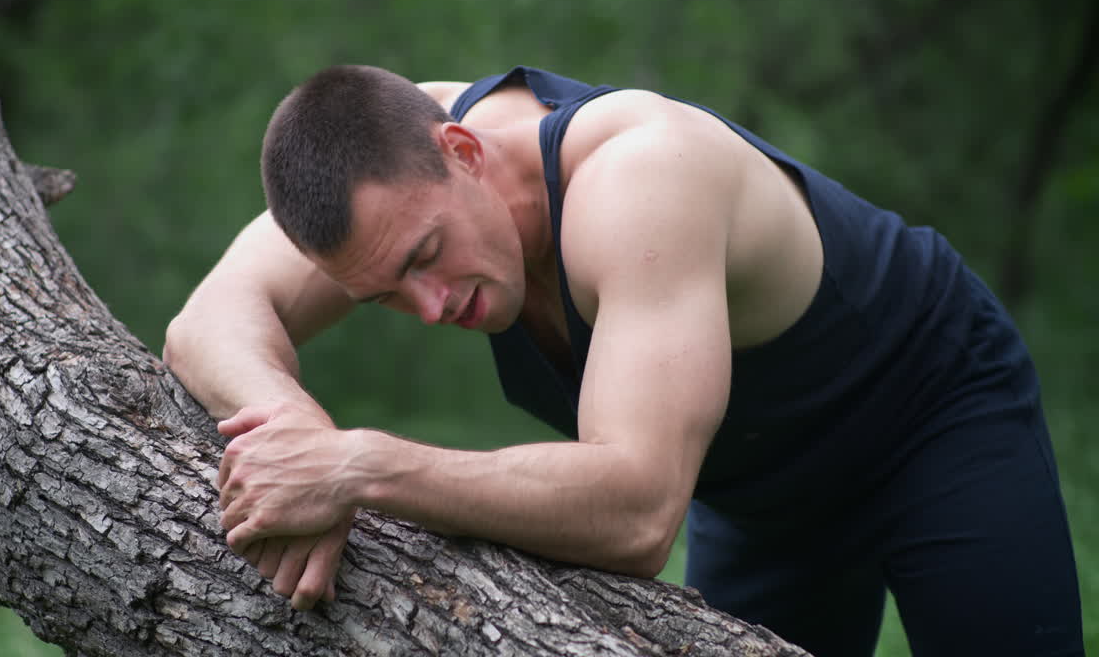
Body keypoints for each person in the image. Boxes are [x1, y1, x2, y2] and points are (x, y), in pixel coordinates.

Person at [163, 65, 1084, 656]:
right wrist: (294, 434)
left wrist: (357, 466)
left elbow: (640, 511)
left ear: (463, 150)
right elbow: (207, 324)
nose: (430, 308)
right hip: (755, 490)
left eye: (424, 259)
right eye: (385, 299)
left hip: (928, 413)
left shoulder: (639, 175)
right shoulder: (379, 179)